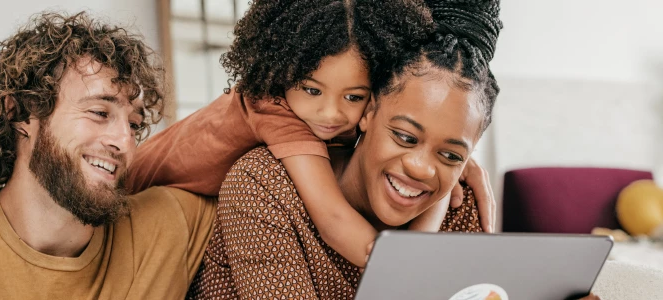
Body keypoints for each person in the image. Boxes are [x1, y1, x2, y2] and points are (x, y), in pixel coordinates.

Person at [186, 1, 599, 299]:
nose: (420, 168)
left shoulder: (458, 205)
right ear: (368, 111)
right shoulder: (264, 185)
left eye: (451, 155)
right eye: (404, 136)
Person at [0, 12, 216, 299]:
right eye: (99, 112)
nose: (125, 142)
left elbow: (243, 121)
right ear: (20, 114)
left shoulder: (169, 225)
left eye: (135, 125)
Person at [125, 0, 496, 269]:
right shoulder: (275, 109)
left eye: (354, 96)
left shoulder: (322, 110)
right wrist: (416, 269)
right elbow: (333, 220)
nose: (331, 113)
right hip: (131, 193)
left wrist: (449, 162)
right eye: (312, 89)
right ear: (283, 71)